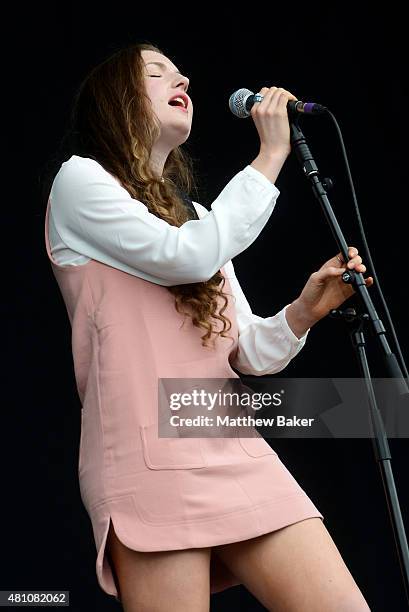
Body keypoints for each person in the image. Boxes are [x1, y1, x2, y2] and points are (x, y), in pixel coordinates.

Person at [42, 41, 373, 611]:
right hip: (150, 456)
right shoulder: (80, 183)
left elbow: (247, 352)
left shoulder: (198, 220)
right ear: (116, 102)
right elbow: (188, 258)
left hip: (230, 443)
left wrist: (304, 310)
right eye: (156, 72)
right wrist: (270, 157)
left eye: (178, 69)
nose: (182, 77)